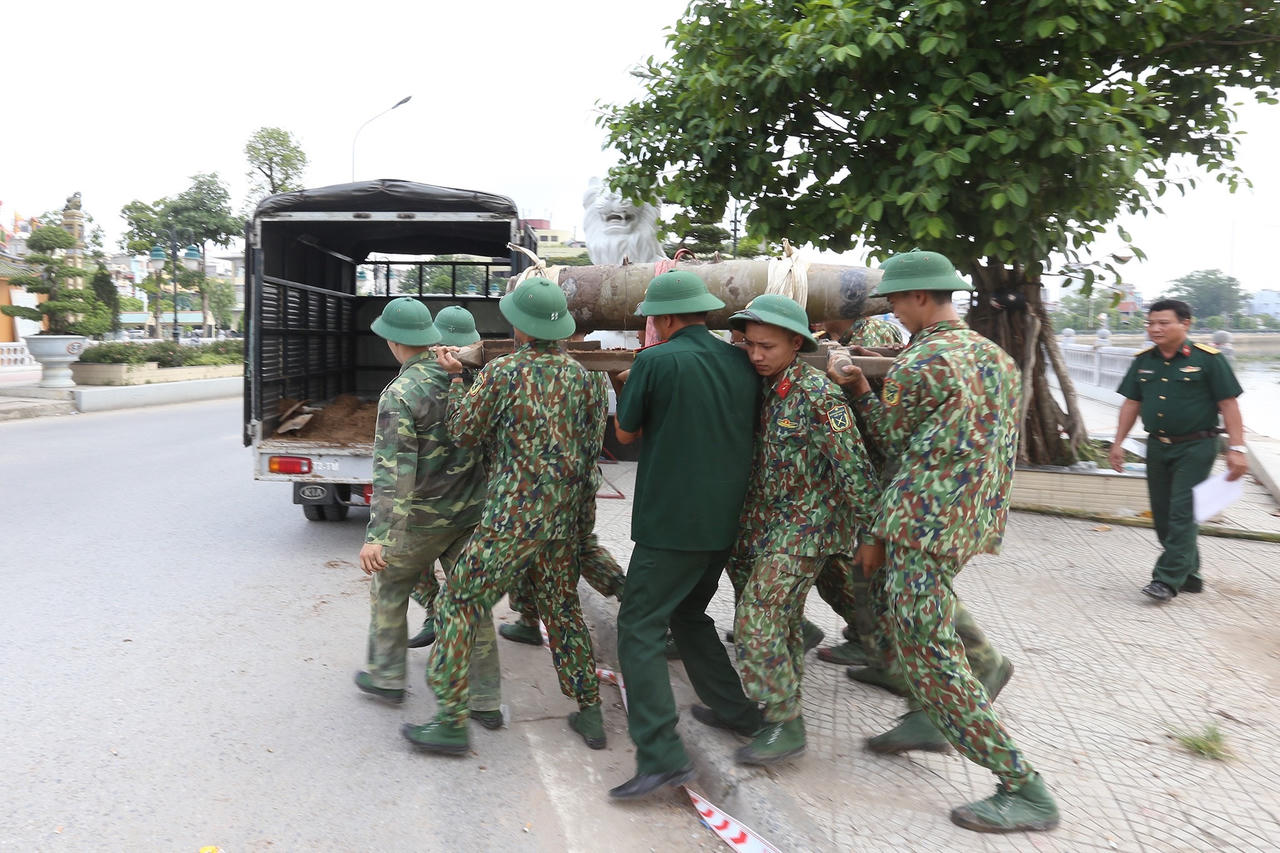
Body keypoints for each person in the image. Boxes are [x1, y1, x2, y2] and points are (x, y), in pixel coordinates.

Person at [828, 250, 1059, 833]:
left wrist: (857, 387)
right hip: (969, 521)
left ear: (920, 297)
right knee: (921, 618)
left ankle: (1023, 787)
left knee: (928, 650)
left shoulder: (918, 363)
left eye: (896, 301)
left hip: (919, 525)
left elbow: (891, 447)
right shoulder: (996, 356)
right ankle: (940, 705)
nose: (893, 312)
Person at [402, 277, 609, 756]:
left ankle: (451, 720)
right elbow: (591, 452)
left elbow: (463, 433)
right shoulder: (587, 378)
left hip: (510, 522)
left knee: (458, 603)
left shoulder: (502, 373)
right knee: (563, 611)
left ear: (520, 327)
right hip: (562, 520)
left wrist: (457, 381)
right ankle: (590, 710)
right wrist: (581, 523)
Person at [608, 270, 762, 800]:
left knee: (638, 626)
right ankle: (736, 711)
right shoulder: (740, 360)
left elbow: (625, 432)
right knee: (689, 612)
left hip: (671, 522)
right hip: (724, 519)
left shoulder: (654, 361)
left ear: (666, 318)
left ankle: (661, 755)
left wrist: (624, 383)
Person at [717, 294, 878, 766]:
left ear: (795, 343)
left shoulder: (819, 395)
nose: (755, 355)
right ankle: (774, 706)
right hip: (771, 523)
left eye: (766, 346)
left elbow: (855, 469)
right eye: (749, 345)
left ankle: (786, 723)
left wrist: (872, 536)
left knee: (756, 618)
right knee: (781, 620)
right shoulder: (768, 386)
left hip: (809, 526)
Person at [354, 298, 500, 729]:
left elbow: (393, 472)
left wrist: (379, 536)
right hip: (469, 516)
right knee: (471, 603)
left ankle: (386, 676)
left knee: (389, 587)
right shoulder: (468, 378)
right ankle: (485, 699)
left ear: (392, 340)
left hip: (421, 521)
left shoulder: (400, 393)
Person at [1109, 298, 1247, 601]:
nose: (1155, 329)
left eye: (1163, 323)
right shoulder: (1144, 360)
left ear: (1185, 324)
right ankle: (1190, 576)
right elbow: (1131, 403)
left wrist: (1237, 448)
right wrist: (1118, 443)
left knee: (1182, 512)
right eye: (1150, 323)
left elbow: (1229, 405)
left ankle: (1166, 580)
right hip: (1158, 446)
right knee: (1162, 515)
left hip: (1196, 446)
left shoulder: (1209, 359)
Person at [406, 304, 483, 649]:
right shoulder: (483, 380)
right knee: (461, 581)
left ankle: (439, 615)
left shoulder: (480, 382)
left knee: (407, 566)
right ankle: (438, 614)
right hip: (463, 503)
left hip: (439, 504)